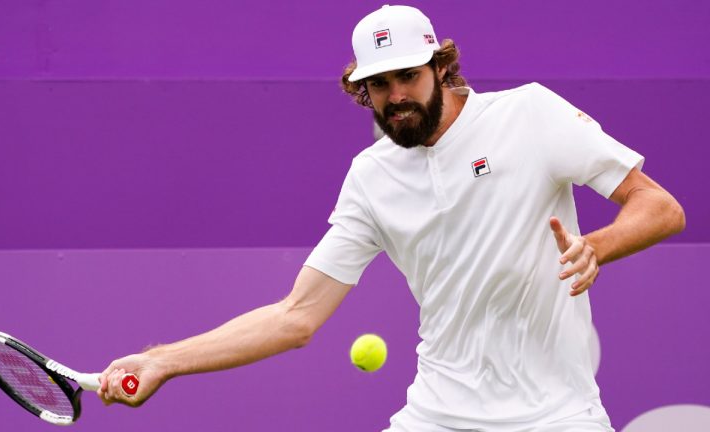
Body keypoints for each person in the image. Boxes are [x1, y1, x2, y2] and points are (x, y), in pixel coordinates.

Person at [97, 5, 685, 431]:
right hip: (435, 415)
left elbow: (660, 206)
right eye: (379, 84)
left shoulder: (529, 114)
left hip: (557, 417)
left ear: (440, 66)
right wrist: (163, 360)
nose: (396, 95)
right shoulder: (371, 176)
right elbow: (295, 317)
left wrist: (597, 246)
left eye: (408, 75)